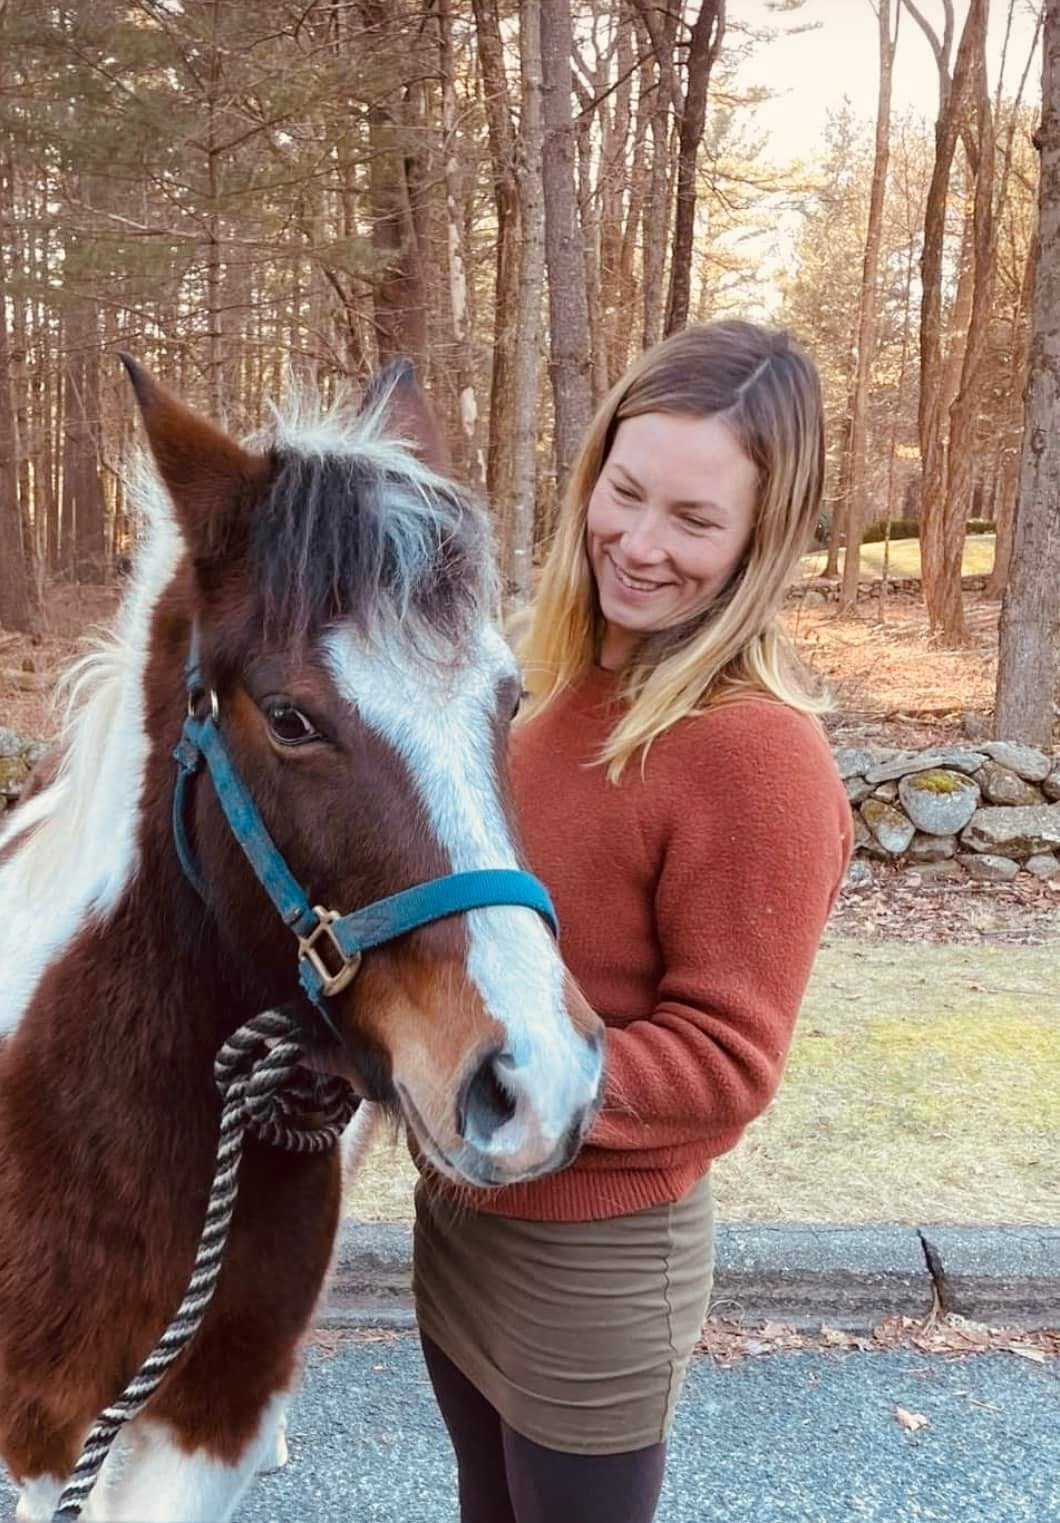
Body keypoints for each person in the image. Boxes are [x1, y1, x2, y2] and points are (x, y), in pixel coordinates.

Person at [410, 320, 854, 1523]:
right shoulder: (542, 694)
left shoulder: (758, 754)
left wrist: (484, 1073)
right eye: (626, 490)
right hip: (464, 1217)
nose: (641, 544)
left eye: (696, 520)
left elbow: (727, 1061)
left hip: (592, 1262)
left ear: (762, 539)